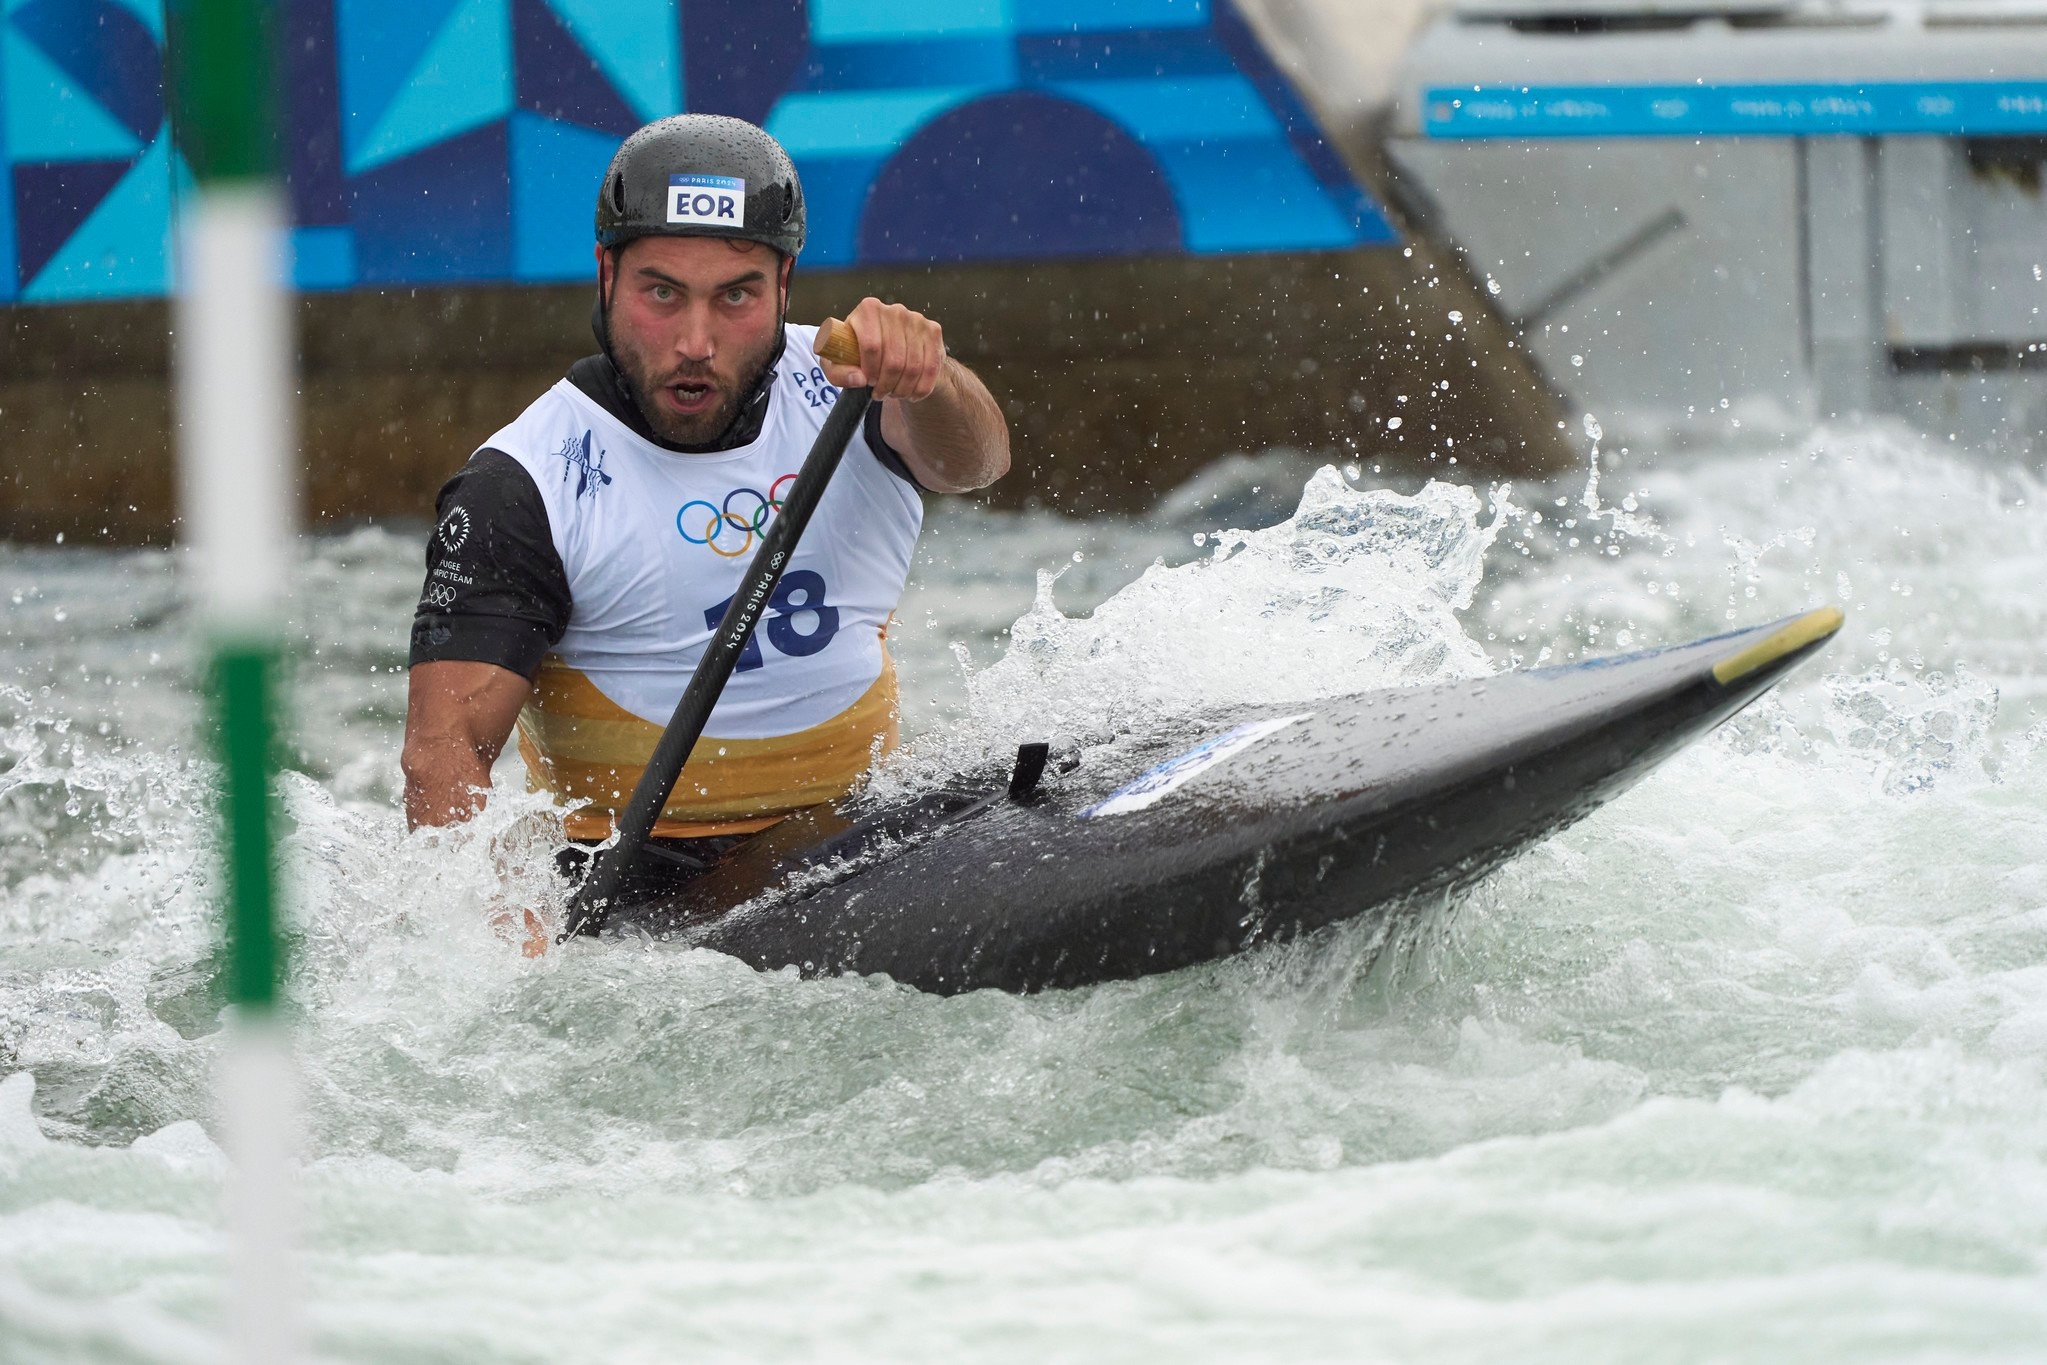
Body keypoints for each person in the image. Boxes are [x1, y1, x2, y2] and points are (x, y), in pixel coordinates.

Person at [401, 115, 1010, 953]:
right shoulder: (524, 483)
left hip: (866, 836)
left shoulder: (849, 388)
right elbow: (444, 752)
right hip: (645, 894)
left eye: (735, 296)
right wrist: (497, 947)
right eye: (662, 292)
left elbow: (975, 464)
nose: (695, 342)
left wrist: (932, 382)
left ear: (784, 283)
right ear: (606, 274)